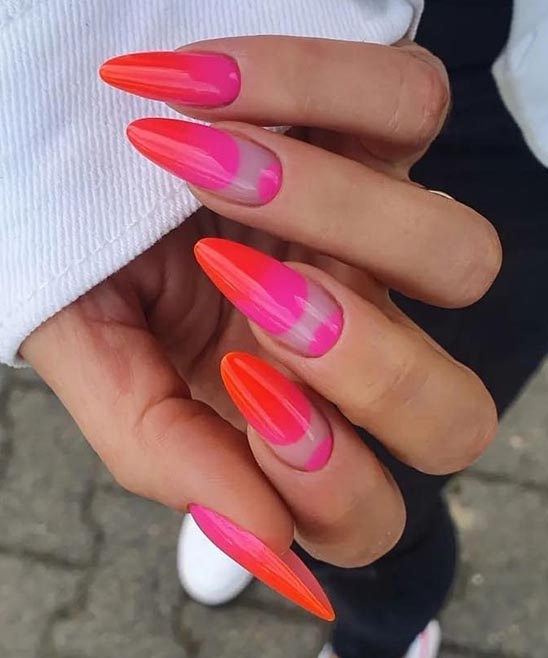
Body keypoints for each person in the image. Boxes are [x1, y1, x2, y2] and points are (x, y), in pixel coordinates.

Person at [1, 2, 547, 658]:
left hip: (521, 99)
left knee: (390, 447)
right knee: (307, 459)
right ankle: (259, 465)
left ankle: (381, 636)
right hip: (342, 49)